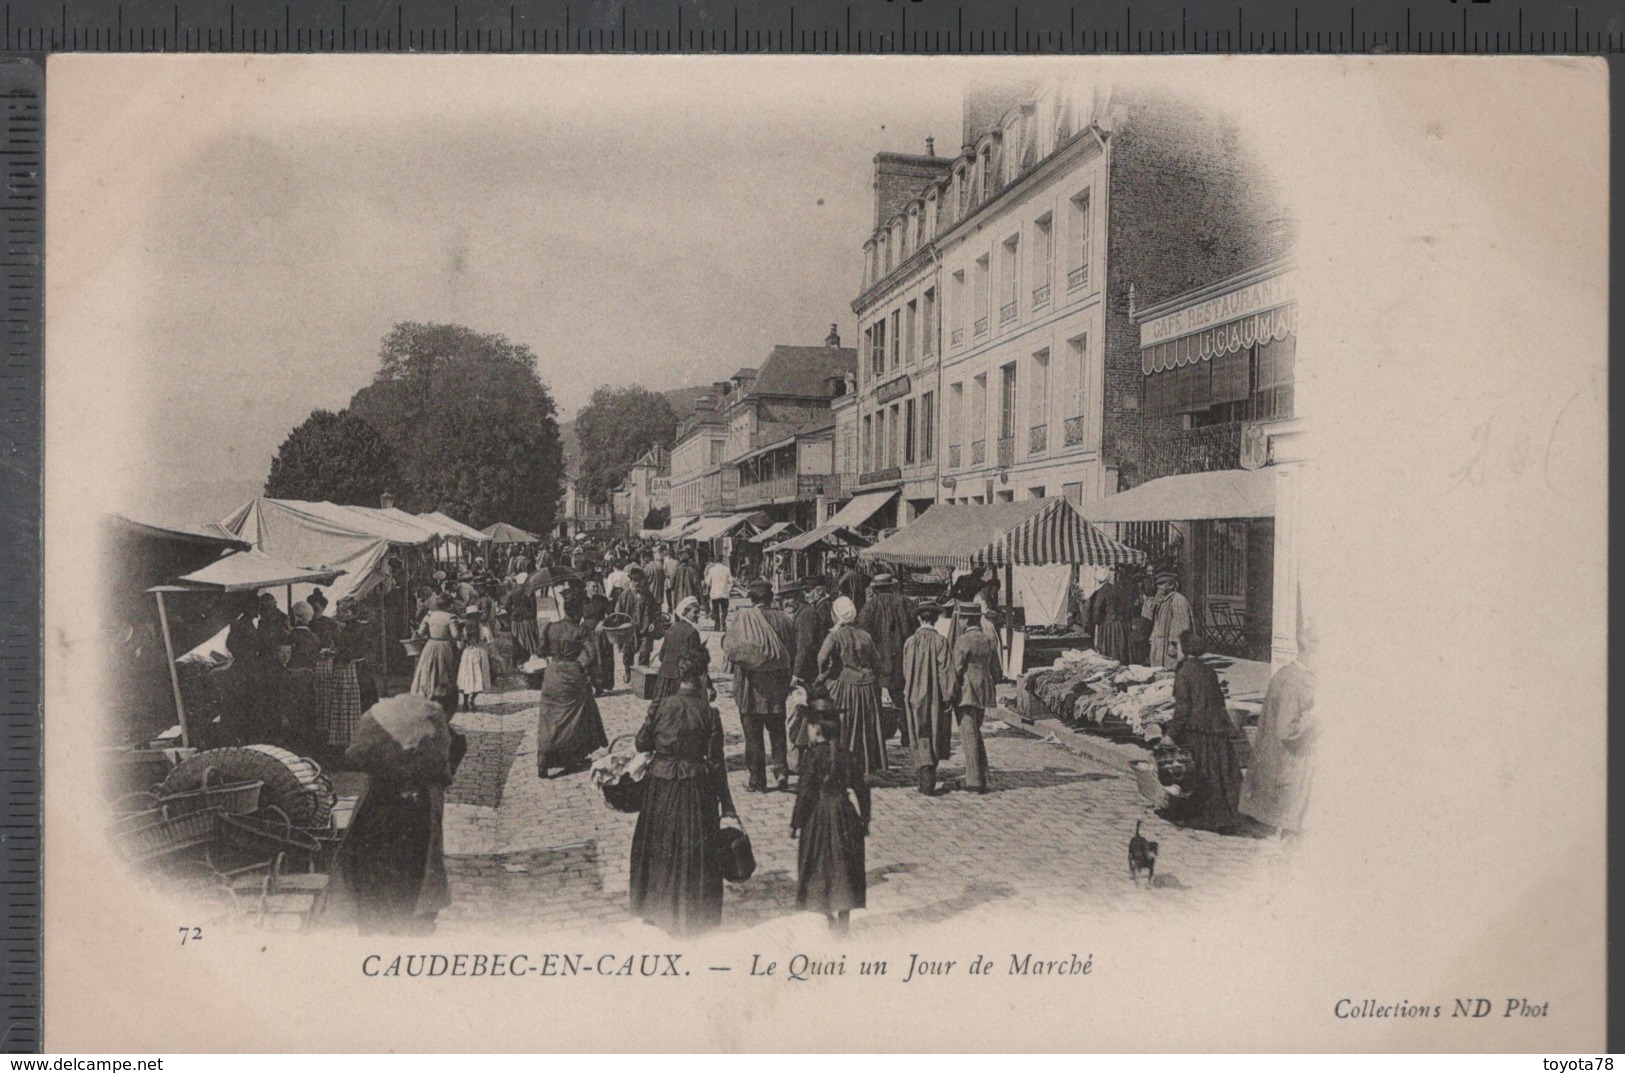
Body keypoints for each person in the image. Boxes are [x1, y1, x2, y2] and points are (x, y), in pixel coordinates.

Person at [343, 684, 466, 935]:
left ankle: (372, 927)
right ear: (450, 709)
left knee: (373, 866)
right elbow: (444, 773)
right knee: (411, 868)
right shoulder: (447, 736)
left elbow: (358, 755)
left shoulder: (396, 720)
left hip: (376, 804)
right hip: (415, 810)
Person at [628, 663, 738, 936]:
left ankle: (657, 909)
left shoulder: (661, 706)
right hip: (695, 787)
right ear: (701, 677)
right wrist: (727, 804)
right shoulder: (709, 714)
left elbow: (641, 744)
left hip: (661, 786)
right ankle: (692, 914)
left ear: (679, 679)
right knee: (694, 849)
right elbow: (716, 763)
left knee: (660, 843)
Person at [791, 712, 870, 935]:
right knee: (845, 866)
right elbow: (862, 789)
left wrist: (796, 821)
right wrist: (865, 818)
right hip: (845, 814)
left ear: (817, 730)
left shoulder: (812, 756)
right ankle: (844, 918)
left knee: (818, 865)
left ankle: (827, 913)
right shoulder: (848, 755)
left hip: (819, 814)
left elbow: (805, 792)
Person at [1239, 625, 1320, 836]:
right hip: (1288, 765)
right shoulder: (1295, 683)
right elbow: (1287, 730)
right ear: (1310, 652)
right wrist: (1315, 720)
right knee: (1290, 827)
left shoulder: (1286, 674)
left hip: (1278, 764)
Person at [1163, 630, 1243, 833]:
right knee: (1218, 776)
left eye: (1178, 646)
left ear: (1184, 649)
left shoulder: (1183, 673)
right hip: (1215, 729)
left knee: (1195, 775)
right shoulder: (1209, 671)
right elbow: (1219, 702)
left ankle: (1198, 816)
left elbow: (1182, 710)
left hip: (1196, 731)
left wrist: (1170, 735)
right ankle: (1224, 818)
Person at [728, 580, 796, 793]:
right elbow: (791, 653)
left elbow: (734, 653)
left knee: (753, 736)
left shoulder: (743, 620)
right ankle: (781, 771)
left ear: (751, 598)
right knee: (777, 732)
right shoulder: (785, 620)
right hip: (776, 688)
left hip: (750, 688)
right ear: (771, 598)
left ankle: (757, 780)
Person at [534, 595, 609, 777]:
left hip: (552, 675)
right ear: (576, 612)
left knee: (549, 717)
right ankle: (572, 756)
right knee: (575, 717)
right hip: (572, 674)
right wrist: (581, 667)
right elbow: (591, 655)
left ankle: (543, 760)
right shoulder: (580, 631)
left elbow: (540, 651)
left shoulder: (550, 627)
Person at [814, 596, 887, 777]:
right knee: (864, 727)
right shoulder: (865, 635)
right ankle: (865, 765)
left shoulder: (835, 635)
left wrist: (824, 674)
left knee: (843, 726)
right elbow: (877, 664)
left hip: (844, 686)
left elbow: (822, 658)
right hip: (867, 688)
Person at [902, 603, 956, 796]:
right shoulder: (941, 642)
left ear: (919, 619)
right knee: (934, 731)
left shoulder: (910, 642)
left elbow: (906, 670)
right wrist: (948, 696)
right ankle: (929, 772)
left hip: (913, 693)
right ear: (935, 620)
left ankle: (922, 771)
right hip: (935, 695)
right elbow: (945, 671)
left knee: (918, 731)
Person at [951, 601, 1001, 794]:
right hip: (984, 691)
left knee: (968, 734)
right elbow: (996, 669)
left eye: (962, 617)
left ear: (965, 619)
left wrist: (949, 691)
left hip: (966, 691)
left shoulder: (963, 641)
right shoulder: (988, 639)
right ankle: (982, 773)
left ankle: (973, 781)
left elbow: (956, 669)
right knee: (976, 731)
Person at [857, 572, 914, 744]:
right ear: (892, 586)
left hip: (878, 658)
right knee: (901, 696)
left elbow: (862, 632)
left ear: (875, 589)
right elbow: (914, 626)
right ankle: (906, 733)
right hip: (903, 657)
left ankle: (879, 733)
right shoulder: (905, 602)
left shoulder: (870, 606)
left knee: (875, 697)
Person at [653, 596, 712, 702]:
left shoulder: (672, 628)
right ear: (685, 612)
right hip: (681, 681)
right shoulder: (692, 632)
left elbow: (662, 656)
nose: (698, 615)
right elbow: (696, 661)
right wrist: (709, 685)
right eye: (695, 612)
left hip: (664, 679)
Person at [410, 593, 461, 699]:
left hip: (431, 644)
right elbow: (455, 635)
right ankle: (441, 695)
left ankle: (427, 692)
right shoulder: (450, 617)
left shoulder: (429, 615)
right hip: (444, 645)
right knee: (443, 669)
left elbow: (421, 632)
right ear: (448, 605)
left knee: (428, 668)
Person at [615, 566, 659, 683]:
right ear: (631, 582)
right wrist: (619, 626)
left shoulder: (648, 596)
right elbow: (618, 613)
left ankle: (641, 677)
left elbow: (656, 611)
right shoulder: (625, 596)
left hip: (645, 629)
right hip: (629, 629)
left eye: (640, 580)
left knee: (645, 652)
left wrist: (653, 623)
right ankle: (628, 672)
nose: (637, 583)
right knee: (627, 654)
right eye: (635, 581)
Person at [1087, 567, 1137, 664]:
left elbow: (1097, 608)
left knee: (1110, 651)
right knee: (1120, 649)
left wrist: (1096, 622)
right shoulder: (1117, 589)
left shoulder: (1101, 591)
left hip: (1109, 626)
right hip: (1121, 625)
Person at [792, 577, 835, 688]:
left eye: (808, 591)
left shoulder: (822, 608)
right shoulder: (822, 605)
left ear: (819, 591)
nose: (805, 596)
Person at [1147, 571, 1194, 669]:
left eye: (1162, 584)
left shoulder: (1178, 600)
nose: (1159, 587)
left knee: (1171, 671)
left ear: (1171, 585)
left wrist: (1174, 644)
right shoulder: (1162, 600)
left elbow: (1181, 624)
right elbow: (1156, 620)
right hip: (1159, 642)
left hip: (1170, 644)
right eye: (1158, 584)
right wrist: (1153, 634)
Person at [456, 607, 492, 711]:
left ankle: (465, 701)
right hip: (480, 652)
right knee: (479, 677)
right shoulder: (484, 629)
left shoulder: (464, 630)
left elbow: (460, 646)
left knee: (467, 676)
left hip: (467, 654)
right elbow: (490, 643)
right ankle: (472, 699)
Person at [507, 574, 539, 660]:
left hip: (516, 618)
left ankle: (518, 659)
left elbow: (507, 606)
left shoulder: (513, 592)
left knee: (517, 639)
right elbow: (534, 606)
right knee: (529, 639)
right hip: (527, 618)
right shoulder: (529, 591)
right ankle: (530, 656)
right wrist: (533, 618)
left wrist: (512, 613)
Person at [704, 555, 733, 631]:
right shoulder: (726, 569)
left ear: (715, 560)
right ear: (722, 560)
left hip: (714, 593)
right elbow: (731, 581)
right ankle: (723, 622)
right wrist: (728, 589)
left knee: (715, 609)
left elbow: (707, 582)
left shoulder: (712, 570)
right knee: (724, 609)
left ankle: (717, 625)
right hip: (724, 593)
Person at [662, 547, 681, 612]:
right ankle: (675, 606)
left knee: (668, 593)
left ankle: (670, 607)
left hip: (668, 579)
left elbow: (664, 570)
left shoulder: (666, 562)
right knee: (675, 593)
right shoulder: (677, 562)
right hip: (675, 579)